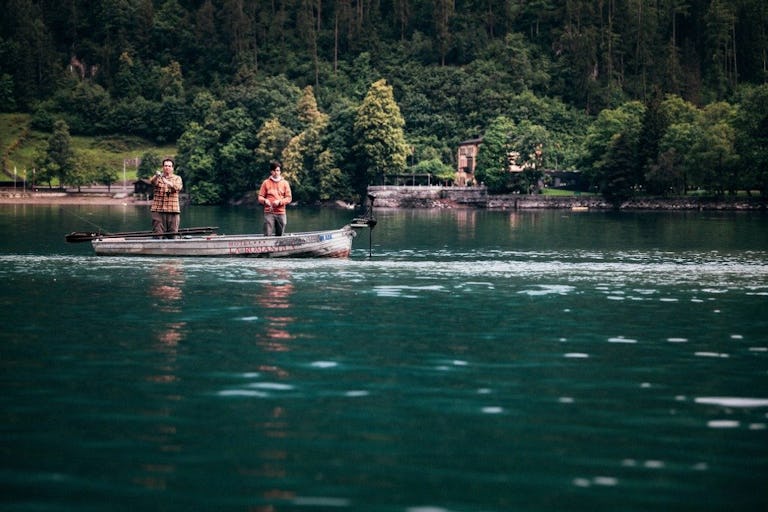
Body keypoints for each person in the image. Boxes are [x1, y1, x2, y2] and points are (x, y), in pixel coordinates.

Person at [149, 158, 183, 238]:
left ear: (172, 168)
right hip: (158, 211)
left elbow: (177, 187)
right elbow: (152, 182)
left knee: (173, 235)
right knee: (157, 235)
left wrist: (168, 182)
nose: (167, 167)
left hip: (173, 211)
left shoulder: (177, 178)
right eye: (165, 166)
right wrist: (157, 176)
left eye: (169, 166)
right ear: (162, 167)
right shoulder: (158, 177)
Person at [258, 161, 292, 236]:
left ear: (280, 171)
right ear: (271, 172)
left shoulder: (285, 183)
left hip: (281, 212)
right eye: (274, 170)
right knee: (267, 232)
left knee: (280, 233)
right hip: (269, 212)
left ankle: (279, 246)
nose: (276, 172)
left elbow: (289, 198)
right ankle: (267, 245)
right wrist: (264, 200)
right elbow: (260, 197)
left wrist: (280, 202)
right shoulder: (266, 182)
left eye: (278, 170)